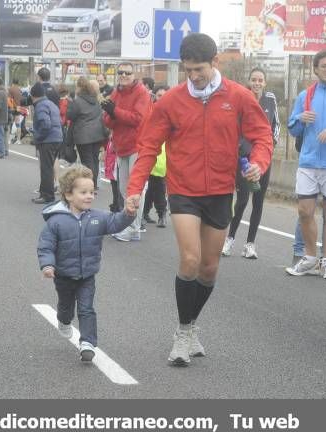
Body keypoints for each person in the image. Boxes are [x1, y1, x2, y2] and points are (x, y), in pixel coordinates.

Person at [125, 33, 273, 366]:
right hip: (183, 190)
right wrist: (135, 188)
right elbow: (148, 147)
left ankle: (191, 327)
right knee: (190, 260)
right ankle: (182, 333)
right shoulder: (170, 102)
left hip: (221, 190)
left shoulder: (239, 96)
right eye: (188, 70)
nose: (193, 76)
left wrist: (259, 164)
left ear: (215, 62)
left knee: (209, 267)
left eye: (199, 70)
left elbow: (262, 135)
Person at [37, 165, 136, 361]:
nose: (89, 196)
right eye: (83, 192)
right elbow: (45, 246)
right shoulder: (56, 221)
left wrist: (128, 213)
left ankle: (87, 342)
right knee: (66, 308)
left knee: (86, 308)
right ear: (68, 194)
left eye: (92, 192)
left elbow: (115, 223)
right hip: (63, 275)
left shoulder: (97, 217)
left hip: (87, 275)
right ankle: (64, 321)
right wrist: (47, 265)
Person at [285, 49, 326, 279]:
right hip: (308, 161)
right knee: (305, 211)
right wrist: (300, 119)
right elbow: (292, 128)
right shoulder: (305, 95)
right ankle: (310, 256)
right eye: (324, 66)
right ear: (316, 68)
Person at [222, 67, 280, 259]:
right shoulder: (242, 98)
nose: (257, 83)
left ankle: (250, 244)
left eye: (260, 80)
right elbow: (233, 126)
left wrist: (271, 146)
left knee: (258, 201)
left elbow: (276, 126)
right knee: (242, 200)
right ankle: (230, 239)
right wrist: (239, 148)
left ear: (265, 82)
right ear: (249, 81)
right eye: (254, 79)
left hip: (263, 159)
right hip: (245, 159)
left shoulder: (270, 99)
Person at [101, 62, 153, 242]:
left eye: (127, 73)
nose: (123, 75)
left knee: (134, 189)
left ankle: (133, 228)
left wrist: (114, 111)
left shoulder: (142, 93)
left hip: (137, 145)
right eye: (120, 72)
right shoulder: (117, 92)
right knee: (124, 188)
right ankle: (129, 225)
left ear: (134, 74)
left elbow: (137, 119)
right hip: (121, 146)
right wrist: (110, 113)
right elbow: (108, 122)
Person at [67, 76, 107, 189]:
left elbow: (71, 115)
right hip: (98, 134)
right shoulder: (95, 100)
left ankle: (90, 184)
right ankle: (93, 184)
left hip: (83, 135)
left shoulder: (78, 101)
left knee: (87, 160)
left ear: (79, 88)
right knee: (94, 159)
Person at [141, 85, 170, 229]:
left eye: (165, 95)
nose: (162, 99)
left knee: (158, 188)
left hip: (164, 158)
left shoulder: (173, 113)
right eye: (159, 95)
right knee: (147, 189)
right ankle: (144, 213)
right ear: (154, 96)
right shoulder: (149, 112)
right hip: (149, 154)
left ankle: (161, 214)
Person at [30, 82, 63, 203]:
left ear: (33, 95)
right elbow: (59, 121)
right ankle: (44, 192)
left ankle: (47, 196)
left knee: (46, 168)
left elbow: (46, 124)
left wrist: (38, 137)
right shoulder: (51, 104)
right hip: (57, 138)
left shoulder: (40, 106)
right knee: (48, 166)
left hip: (48, 140)